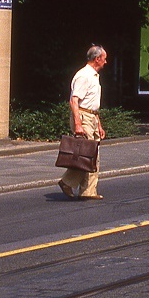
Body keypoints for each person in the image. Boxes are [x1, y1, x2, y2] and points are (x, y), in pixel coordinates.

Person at [59, 45, 107, 200]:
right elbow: (74, 101)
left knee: (93, 155)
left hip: (92, 116)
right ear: (97, 58)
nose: (106, 62)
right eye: (104, 58)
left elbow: (92, 103)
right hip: (83, 116)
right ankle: (67, 182)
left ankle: (88, 191)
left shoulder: (93, 76)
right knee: (86, 154)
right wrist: (78, 124)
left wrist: (98, 124)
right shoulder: (84, 75)